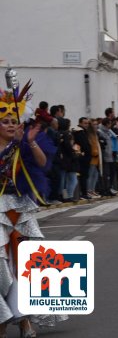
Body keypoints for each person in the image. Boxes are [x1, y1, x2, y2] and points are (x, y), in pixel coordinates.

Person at [0, 84, 67, 337]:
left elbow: (42, 164)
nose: (8, 124)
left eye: (12, 120)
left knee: (27, 265)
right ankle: (5, 318)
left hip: (21, 209)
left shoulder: (24, 144)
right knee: (1, 268)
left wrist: (27, 144)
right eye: (4, 121)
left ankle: (26, 320)